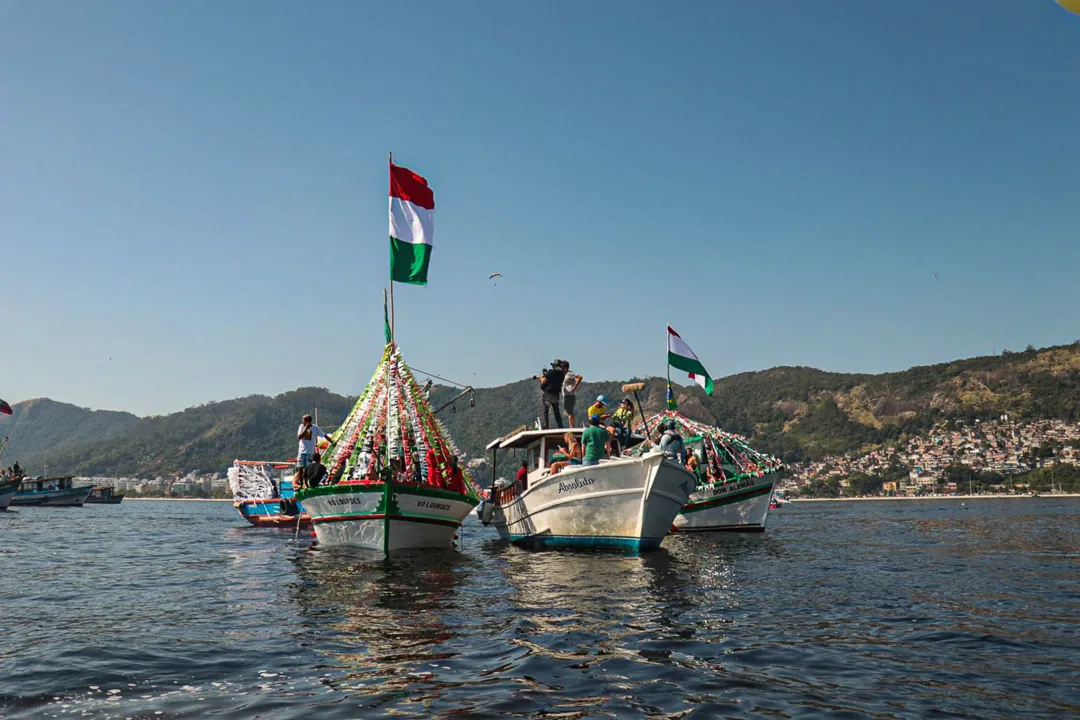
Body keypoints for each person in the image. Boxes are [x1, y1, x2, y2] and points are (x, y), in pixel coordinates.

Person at [535, 360, 567, 429]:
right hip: (556, 394)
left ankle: (546, 426)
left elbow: (543, 381)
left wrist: (540, 377)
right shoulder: (562, 374)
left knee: (546, 411)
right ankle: (560, 426)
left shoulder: (550, 372)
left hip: (548, 394)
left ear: (554, 366)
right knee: (556, 412)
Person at [561, 362, 582, 428]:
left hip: (570, 395)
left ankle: (572, 427)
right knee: (567, 412)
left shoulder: (569, 373)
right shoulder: (564, 374)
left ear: (565, 368)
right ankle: (571, 426)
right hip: (566, 395)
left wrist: (575, 387)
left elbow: (580, 377)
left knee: (569, 412)